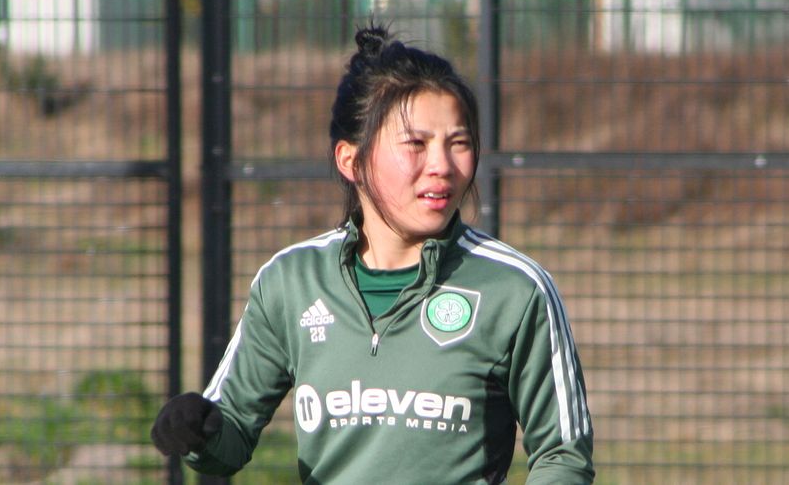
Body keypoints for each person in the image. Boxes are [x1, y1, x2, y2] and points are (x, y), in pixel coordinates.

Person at [150, 24, 595, 484]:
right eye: (416, 144)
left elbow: (563, 454)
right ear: (351, 160)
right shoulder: (290, 281)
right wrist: (198, 432)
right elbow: (232, 434)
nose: (442, 166)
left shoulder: (516, 290)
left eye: (457, 143)